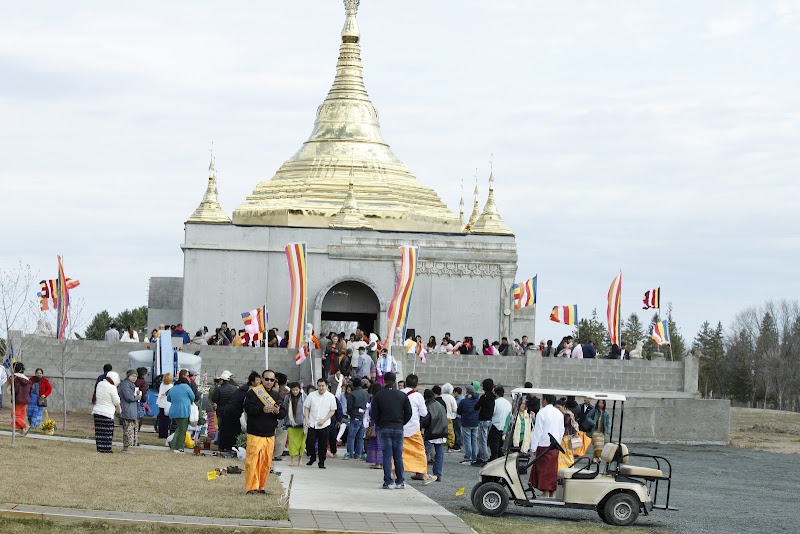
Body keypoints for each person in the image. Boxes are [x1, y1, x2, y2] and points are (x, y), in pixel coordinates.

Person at [243, 370, 286, 494]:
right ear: (261, 379)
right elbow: (248, 409)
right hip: (255, 433)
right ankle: (251, 487)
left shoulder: (276, 396)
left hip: (269, 434)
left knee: (265, 463)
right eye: (266, 379)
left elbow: (282, 413)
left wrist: (277, 412)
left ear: (274, 382)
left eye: (271, 380)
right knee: (252, 462)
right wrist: (262, 409)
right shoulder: (253, 393)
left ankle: (261, 486)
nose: (269, 382)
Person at [370, 371, 412, 489]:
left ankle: (388, 481)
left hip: (384, 427)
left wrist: (380, 423)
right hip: (398, 427)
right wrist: (401, 422)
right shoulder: (402, 395)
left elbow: (374, 413)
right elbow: (409, 412)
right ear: (394, 381)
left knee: (387, 456)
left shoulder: (378, 395)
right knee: (398, 455)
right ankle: (400, 481)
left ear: (384, 381)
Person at [529, 394, 564, 497]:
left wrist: (533, 447)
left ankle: (545, 492)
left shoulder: (542, 412)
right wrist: (558, 441)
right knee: (552, 470)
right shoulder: (559, 413)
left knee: (543, 469)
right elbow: (562, 430)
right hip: (555, 445)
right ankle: (551, 491)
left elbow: (538, 431)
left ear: (545, 400)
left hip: (544, 444)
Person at [303, 378, 338, 468]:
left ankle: (321, 461)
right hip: (312, 422)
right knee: (310, 442)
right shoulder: (311, 395)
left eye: (323, 386)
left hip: (324, 424)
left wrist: (324, 420)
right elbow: (306, 407)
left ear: (326, 386)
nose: (321, 388)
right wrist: (307, 419)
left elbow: (332, 411)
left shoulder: (331, 397)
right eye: (319, 386)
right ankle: (312, 457)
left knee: (323, 444)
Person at [400, 374, 429, 481]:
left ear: (405, 383)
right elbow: (424, 413)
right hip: (413, 428)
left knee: (398, 452)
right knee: (420, 451)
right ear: (417, 385)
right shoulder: (418, 396)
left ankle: (394, 473)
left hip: (400, 427)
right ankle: (423, 474)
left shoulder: (399, 393)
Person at [421, 389, 448, 483]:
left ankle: (422, 472)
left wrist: (423, 427)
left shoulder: (427, 405)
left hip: (431, 432)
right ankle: (438, 474)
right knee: (440, 454)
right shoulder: (440, 405)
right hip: (442, 431)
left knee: (425, 453)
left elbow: (425, 420)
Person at [92, 371, 121, 453]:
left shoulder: (100, 384)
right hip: (107, 412)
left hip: (97, 411)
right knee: (107, 432)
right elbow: (116, 401)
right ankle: (106, 448)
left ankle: (100, 447)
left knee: (99, 431)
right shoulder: (112, 387)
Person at [166, 376, 196, 453]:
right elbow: (193, 397)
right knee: (182, 430)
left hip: (173, 411)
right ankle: (179, 447)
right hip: (183, 411)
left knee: (179, 428)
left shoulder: (173, 388)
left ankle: (173, 443)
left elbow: (168, 398)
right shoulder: (186, 387)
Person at [345, 376, 369, 460]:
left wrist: (351, 414)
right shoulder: (366, 394)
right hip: (364, 416)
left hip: (355, 415)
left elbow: (349, 407)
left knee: (351, 436)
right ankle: (358, 453)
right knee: (360, 437)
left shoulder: (352, 394)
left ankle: (350, 452)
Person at [283, 382, 306, 466]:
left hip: (302, 424)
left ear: (299, 389)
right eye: (293, 390)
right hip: (291, 423)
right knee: (292, 442)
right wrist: (284, 422)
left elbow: (307, 409)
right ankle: (292, 460)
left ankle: (300, 459)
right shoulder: (287, 397)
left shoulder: (304, 397)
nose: (295, 392)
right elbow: (284, 409)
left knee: (302, 443)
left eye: (296, 390)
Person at [473, 378, 495, 466]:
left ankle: (484, 458)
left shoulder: (484, 397)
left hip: (483, 420)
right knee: (485, 440)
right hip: (490, 420)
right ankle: (480, 456)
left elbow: (476, 407)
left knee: (482, 440)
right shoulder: (493, 397)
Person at [119, 370, 141, 454]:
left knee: (130, 429)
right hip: (127, 410)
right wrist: (137, 397)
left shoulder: (132, 385)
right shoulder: (125, 384)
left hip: (131, 410)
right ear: (128, 376)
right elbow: (128, 397)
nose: (134, 378)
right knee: (127, 430)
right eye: (132, 376)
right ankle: (125, 448)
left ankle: (127, 447)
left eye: (135, 376)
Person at [457, 384, 480, 465]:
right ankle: (474, 457)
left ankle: (467, 458)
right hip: (475, 422)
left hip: (466, 422)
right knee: (474, 440)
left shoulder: (464, 401)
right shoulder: (477, 400)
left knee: (467, 441)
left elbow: (459, 411)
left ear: (467, 391)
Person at [488, 386, 512, 460]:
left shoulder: (495, 402)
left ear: (495, 393)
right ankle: (500, 458)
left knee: (494, 444)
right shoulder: (508, 403)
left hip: (496, 425)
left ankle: (493, 457)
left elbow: (492, 413)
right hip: (505, 426)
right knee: (501, 444)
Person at [364, 382, 384, 470]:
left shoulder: (374, 399)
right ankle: (382, 462)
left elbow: (372, 411)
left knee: (376, 443)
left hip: (375, 423)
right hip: (383, 423)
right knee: (381, 444)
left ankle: (378, 462)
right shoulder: (383, 397)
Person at [9, 363, 32, 435]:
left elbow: (12, 388)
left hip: (18, 398)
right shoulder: (26, 379)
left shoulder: (14, 377)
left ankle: (25, 426)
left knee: (14, 414)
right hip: (26, 399)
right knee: (21, 415)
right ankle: (23, 431)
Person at [272, 372, 290, 461]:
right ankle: (277, 455)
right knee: (281, 436)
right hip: (282, 418)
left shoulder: (270, 391)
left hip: (271, 417)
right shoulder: (287, 393)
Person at [439, 383, 459, 452]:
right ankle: (449, 447)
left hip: (441, 417)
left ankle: (440, 444)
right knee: (450, 432)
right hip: (449, 417)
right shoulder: (451, 398)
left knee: (441, 431)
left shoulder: (441, 396)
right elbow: (455, 409)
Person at [156, 372, 173, 438]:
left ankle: (161, 434)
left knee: (161, 420)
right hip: (167, 404)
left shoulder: (162, 384)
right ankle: (165, 434)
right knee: (166, 420)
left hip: (161, 403)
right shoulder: (171, 386)